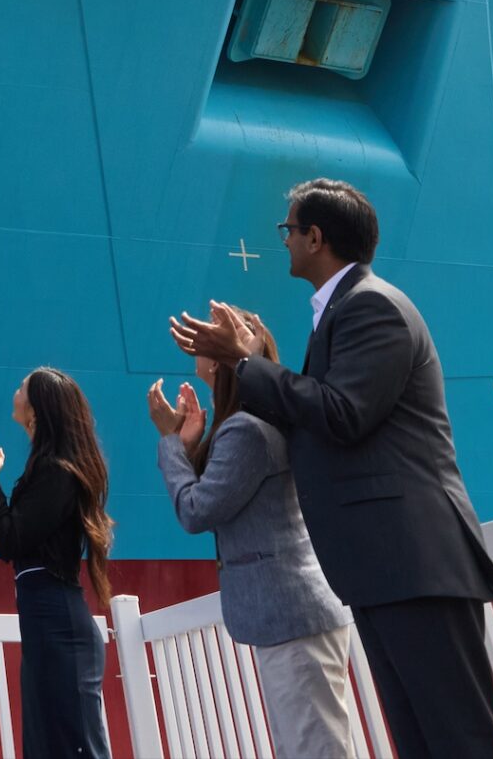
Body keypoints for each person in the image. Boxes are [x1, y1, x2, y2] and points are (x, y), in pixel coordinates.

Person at [172, 178, 493, 759]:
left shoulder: (371, 306)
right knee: (421, 740)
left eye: (288, 230)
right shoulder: (342, 310)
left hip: (414, 561)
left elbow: (342, 413)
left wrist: (244, 361)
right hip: (382, 567)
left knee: (458, 738)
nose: (282, 241)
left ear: (315, 236)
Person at [147, 311, 358, 758]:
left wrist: (170, 443)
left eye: (208, 334)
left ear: (223, 361)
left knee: (313, 748)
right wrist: (189, 446)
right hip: (291, 616)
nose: (196, 341)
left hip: (289, 617)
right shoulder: (255, 419)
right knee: (313, 745)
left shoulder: (244, 428)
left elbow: (196, 510)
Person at [0, 367, 115, 759]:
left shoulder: (57, 471)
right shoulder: (48, 468)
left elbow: (12, 538)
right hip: (48, 626)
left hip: (58, 627)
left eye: (23, 387)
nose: (16, 390)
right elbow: (18, 534)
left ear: (37, 410)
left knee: (70, 747)